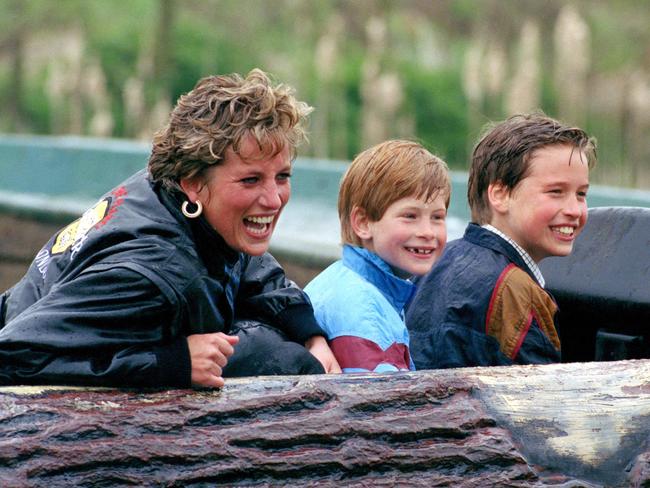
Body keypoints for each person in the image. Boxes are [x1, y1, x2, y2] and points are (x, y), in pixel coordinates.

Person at [0, 69, 341, 388]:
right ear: (193, 184)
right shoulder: (152, 273)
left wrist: (309, 332)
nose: (273, 199)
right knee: (283, 360)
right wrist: (170, 363)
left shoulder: (173, 196)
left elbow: (248, 261)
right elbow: (11, 356)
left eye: (282, 176)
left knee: (282, 342)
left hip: (45, 314)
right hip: (30, 359)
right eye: (250, 180)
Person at [406, 112, 596, 369]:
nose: (575, 209)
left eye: (581, 194)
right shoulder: (517, 292)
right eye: (555, 192)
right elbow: (540, 400)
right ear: (500, 195)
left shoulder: (435, 261)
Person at [304, 140, 450, 373]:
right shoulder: (365, 313)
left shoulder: (348, 280)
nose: (427, 232)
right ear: (363, 223)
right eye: (410, 216)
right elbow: (379, 405)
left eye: (437, 217)